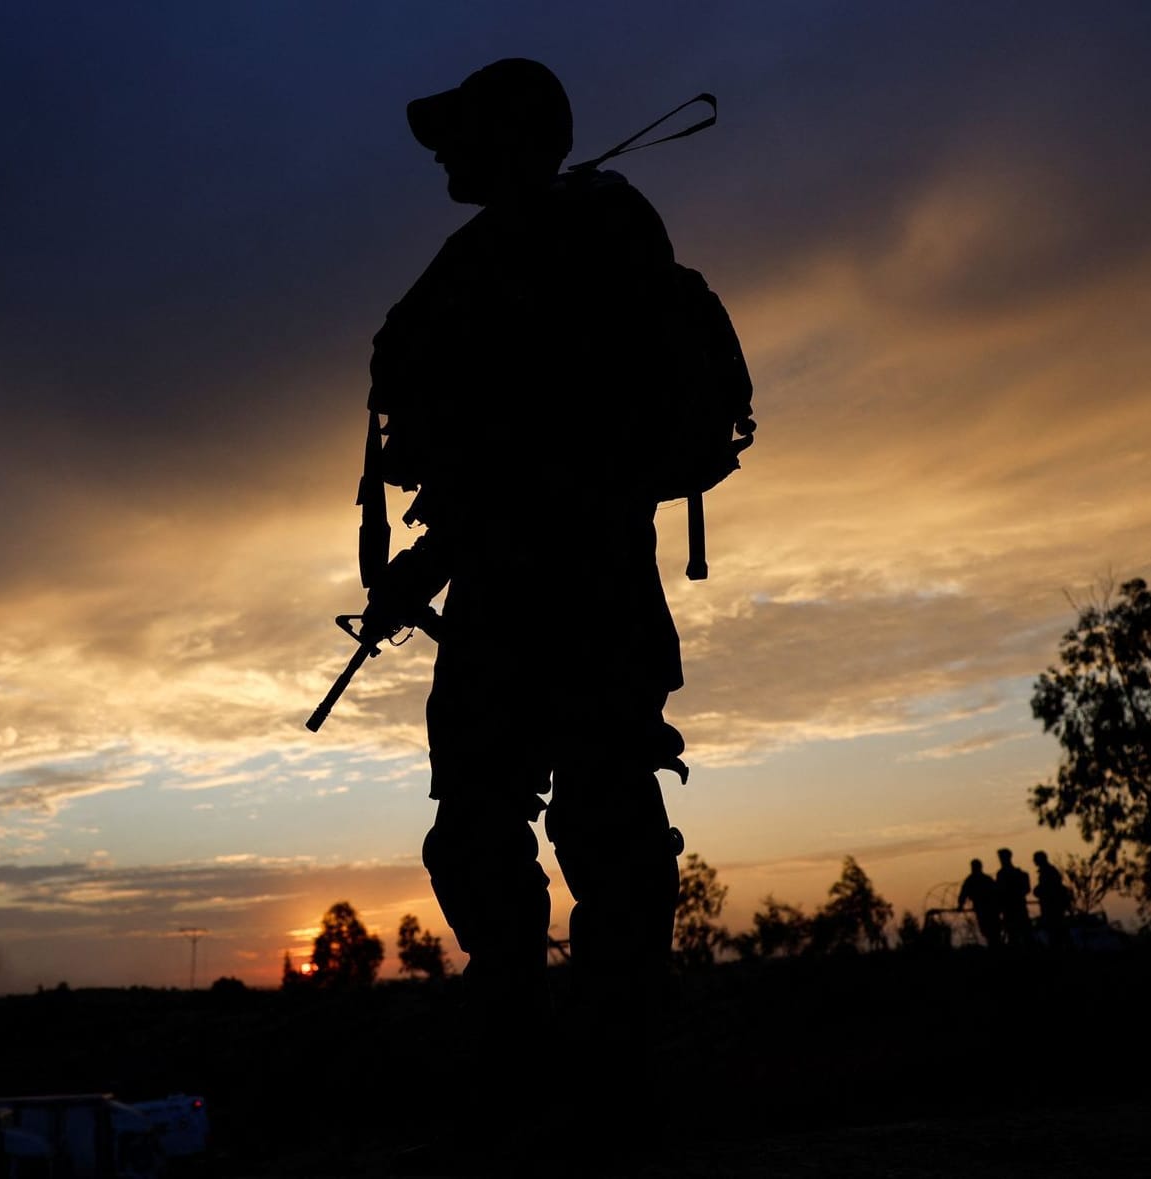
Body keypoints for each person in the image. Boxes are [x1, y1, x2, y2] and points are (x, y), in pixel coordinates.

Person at [359, 58, 692, 1155]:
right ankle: (567, 1055)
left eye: (460, 135)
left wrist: (437, 558)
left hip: (561, 591)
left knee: (570, 824)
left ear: (510, 138)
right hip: (551, 588)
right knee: (514, 825)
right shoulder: (532, 252)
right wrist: (427, 566)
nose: (443, 155)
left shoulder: (528, 260)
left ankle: (581, 1061)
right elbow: (503, 462)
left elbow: (533, 452)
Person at [956, 857, 1003, 948]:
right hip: (990, 909)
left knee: (990, 932)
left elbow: (963, 894)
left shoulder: (971, 880)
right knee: (992, 933)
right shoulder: (986, 879)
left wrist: (960, 905)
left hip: (984, 909)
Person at [1032, 850, 1072, 948]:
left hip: (1052, 908)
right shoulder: (1049, 871)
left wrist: (1039, 890)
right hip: (1052, 908)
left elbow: (1049, 888)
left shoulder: (1048, 871)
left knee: (1056, 933)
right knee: (1058, 933)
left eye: (1035, 859)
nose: (1034, 861)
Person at [995, 848, 1033, 947]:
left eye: (1002, 858)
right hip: (1014, 909)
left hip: (1013, 910)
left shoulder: (1003, 874)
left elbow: (999, 893)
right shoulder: (1016, 874)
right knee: (1018, 936)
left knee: (1017, 937)